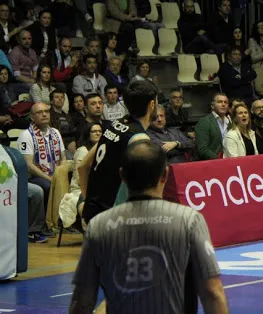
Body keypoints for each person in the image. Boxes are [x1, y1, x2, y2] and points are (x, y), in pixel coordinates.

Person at [68, 140, 229, 314]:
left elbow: (82, 299)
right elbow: (212, 293)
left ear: (122, 176)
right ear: (165, 175)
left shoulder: (98, 226)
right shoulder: (189, 220)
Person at [78, 80, 157, 225]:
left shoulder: (113, 125)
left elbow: (82, 166)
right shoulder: (139, 139)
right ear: (152, 105)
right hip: (114, 219)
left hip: (93, 212)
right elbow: (142, 188)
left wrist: (88, 200)